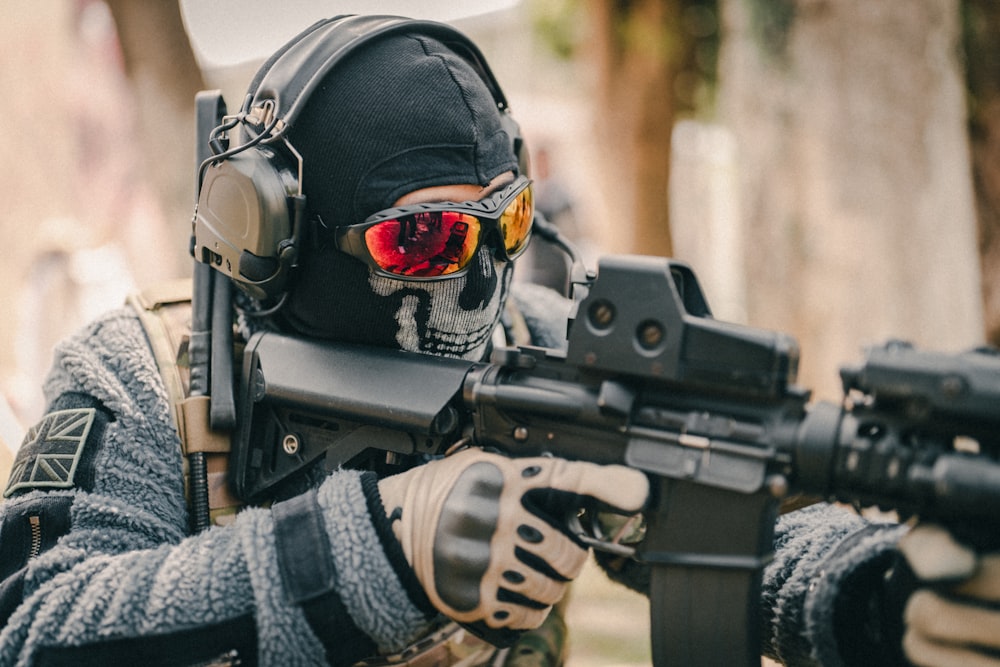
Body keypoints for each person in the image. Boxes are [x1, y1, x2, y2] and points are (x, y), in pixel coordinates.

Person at [0, 13, 995, 667]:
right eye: (422, 236)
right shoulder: (141, 377)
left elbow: (727, 521)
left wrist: (878, 594)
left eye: (504, 224)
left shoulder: (534, 348)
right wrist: (380, 550)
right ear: (275, 229)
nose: (479, 277)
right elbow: (39, 627)